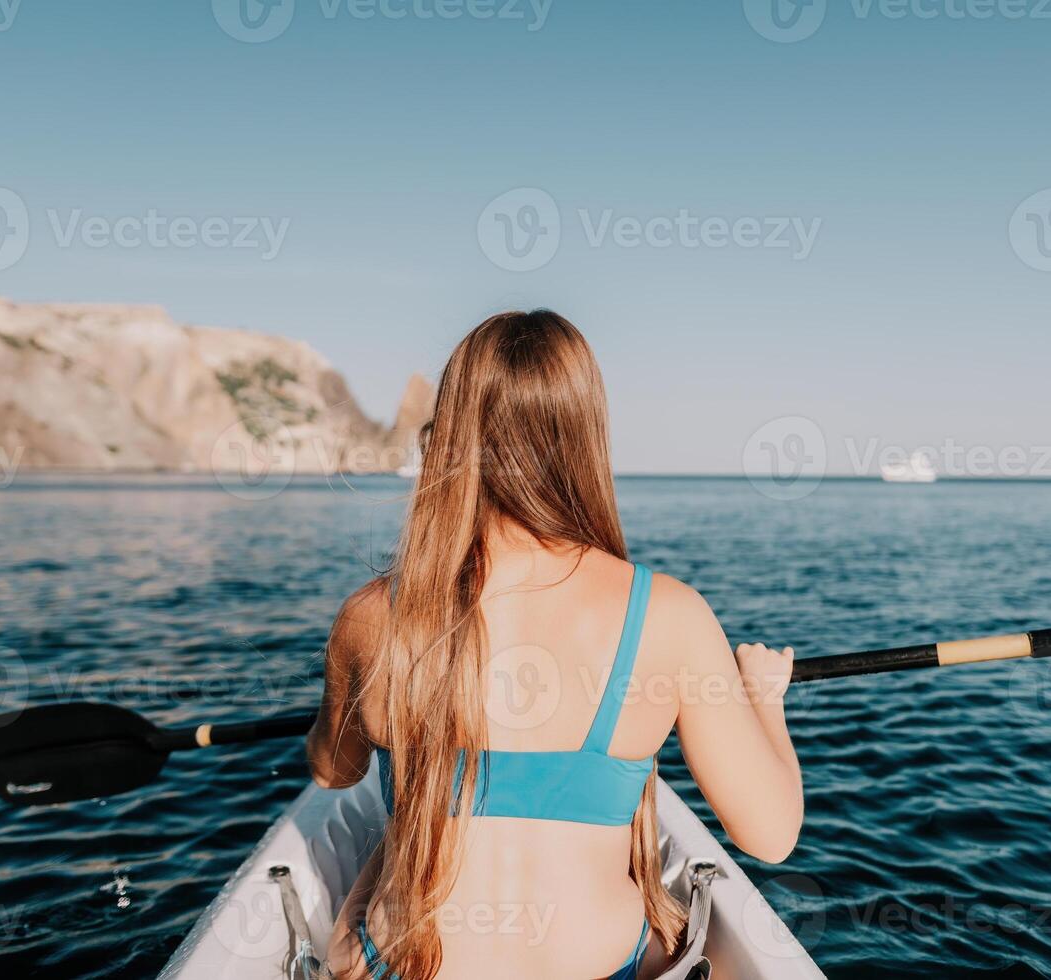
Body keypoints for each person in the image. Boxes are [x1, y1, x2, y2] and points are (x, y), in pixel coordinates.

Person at [307, 310, 803, 979]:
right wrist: (764, 700)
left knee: (383, 854)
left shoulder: (370, 617)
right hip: (607, 967)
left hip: (395, 966)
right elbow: (772, 838)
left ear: (449, 435)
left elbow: (332, 772)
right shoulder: (669, 615)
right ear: (583, 434)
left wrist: (343, 703)